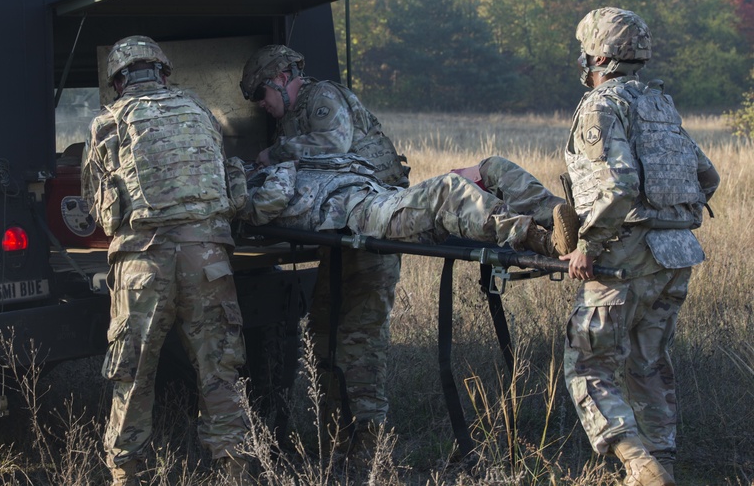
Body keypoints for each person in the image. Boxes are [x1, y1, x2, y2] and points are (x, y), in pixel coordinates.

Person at [558, 8, 719, 486]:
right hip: (676, 255)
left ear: (599, 55)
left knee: (588, 363)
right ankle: (663, 462)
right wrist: (669, 219)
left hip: (624, 254)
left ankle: (638, 463)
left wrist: (588, 243)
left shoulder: (601, 105)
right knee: (648, 362)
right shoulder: (660, 105)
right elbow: (707, 177)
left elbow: (619, 186)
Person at [83, 36, 250, 485]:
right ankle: (234, 471)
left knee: (133, 374)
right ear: (162, 72)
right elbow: (230, 192)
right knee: (220, 368)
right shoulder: (200, 112)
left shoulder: (107, 124)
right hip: (209, 259)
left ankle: (127, 475)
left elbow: (104, 215)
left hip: (144, 266)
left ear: (119, 81)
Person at [239, 45, 410, 461]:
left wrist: (271, 156)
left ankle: (368, 451)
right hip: (341, 234)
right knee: (323, 330)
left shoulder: (322, 98)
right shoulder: (291, 122)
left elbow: (334, 145)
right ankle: (339, 441)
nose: (262, 104)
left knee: (360, 339)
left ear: (281, 78)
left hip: (373, 228)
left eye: (262, 93)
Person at [239, 154, 578, 257]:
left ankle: (563, 218)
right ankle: (541, 240)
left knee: (492, 167)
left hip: (384, 199)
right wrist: (272, 166)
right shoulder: (259, 188)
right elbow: (268, 205)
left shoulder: (295, 165)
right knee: (448, 190)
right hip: (368, 218)